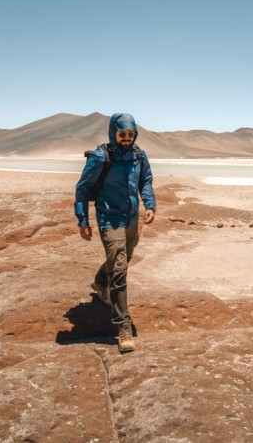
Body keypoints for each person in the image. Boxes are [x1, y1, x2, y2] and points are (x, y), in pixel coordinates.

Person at [74, 113, 156, 353]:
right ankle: (123, 326)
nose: (126, 139)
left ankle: (100, 281)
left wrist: (150, 204)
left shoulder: (139, 155)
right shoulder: (102, 156)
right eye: (122, 134)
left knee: (122, 258)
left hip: (131, 219)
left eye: (131, 134)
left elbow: (146, 181)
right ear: (114, 133)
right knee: (120, 270)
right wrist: (82, 220)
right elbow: (83, 188)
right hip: (109, 219)